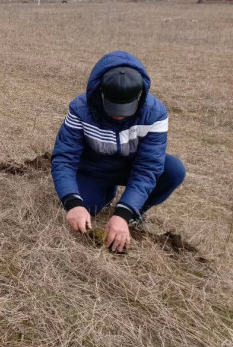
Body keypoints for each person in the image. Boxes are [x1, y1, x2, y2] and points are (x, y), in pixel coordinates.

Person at [51, 51, 186, 253]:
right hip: (93, 169)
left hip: (128, 168)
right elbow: (64, 158)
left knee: (173, 170)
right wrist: (73, 202)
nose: (118, 116)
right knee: (86, 207)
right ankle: (105, 192)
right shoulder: (80, 109)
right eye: (112, 107)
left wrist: (123, 214)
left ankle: (135, 212)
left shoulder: (155, 114)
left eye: (125, 109)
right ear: (101, 92)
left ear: (140, 95)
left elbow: (148, 168)